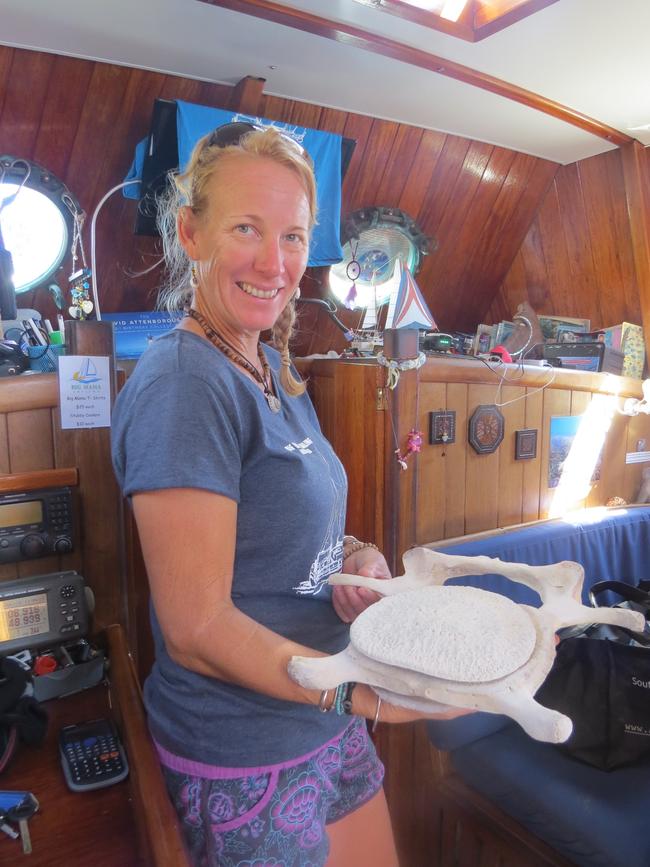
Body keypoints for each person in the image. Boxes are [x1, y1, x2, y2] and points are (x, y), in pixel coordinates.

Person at [111, 122, 465, 867]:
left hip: (323, 719)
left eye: (295, 237)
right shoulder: (186, 383)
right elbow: (196, 626)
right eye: (247, 227)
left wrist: (358, 557)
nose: (276, 263)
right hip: (246, 751)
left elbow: (285, 537)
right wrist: (371, 696)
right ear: (190, 231)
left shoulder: (271, 365)